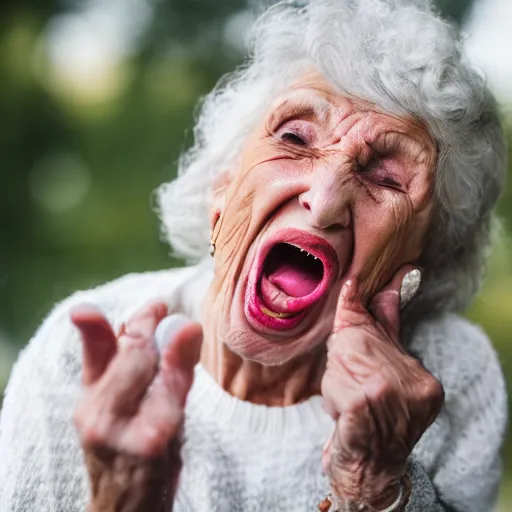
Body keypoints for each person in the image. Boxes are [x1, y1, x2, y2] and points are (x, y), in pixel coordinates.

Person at [0, 0, 508, 511]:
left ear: (421, 259)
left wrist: (378, 486)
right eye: (295, 138)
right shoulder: (84, 353)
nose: (325, 201)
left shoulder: (450, 373)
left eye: (386, 178)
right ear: (222, 192)